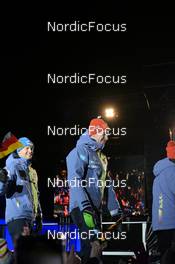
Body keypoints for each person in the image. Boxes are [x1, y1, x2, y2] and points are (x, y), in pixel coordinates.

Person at [66, 118, 121, 263]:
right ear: (96, 132)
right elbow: (74, 180)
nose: (107, 137)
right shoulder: (79, 151)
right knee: (93, 246)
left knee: (97, 247)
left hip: (94, 209)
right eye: (105, 133)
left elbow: (107, 184)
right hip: (82, 208)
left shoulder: (102, 157)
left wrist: (115, 210)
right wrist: (85, 206)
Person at [0, 137, 42, 245]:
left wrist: (38, 215)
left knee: (30, 256)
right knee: (24, 254)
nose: (30, 151)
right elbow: (1, 189)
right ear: (19, 149)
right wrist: (2, 180)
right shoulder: (12, 165)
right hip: (18, 217)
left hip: (29, 217)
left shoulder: (30, 171)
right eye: (27, 148)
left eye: (32, 148)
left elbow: (35, 194)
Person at [152, 140, 175, 263]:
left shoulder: (160, 173)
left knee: (165, 257)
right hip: (171, 224)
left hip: (160, 223)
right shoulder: (172, 171)